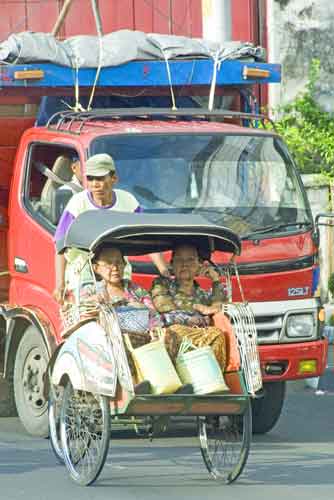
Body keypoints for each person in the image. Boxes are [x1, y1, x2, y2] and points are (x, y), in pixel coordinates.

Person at [53, 153, 169, 302]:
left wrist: (163, 270)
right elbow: (60, 245)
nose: (95, 184)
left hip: (117, 271)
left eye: (100, 178)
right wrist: (60, 284)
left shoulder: (128, 202)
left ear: (114, 178)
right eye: (90, 178)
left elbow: (147, 237)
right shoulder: (77, 203)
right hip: (82, 273)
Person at [150, 243, 233, 371]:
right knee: (177, 330)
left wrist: (216, 280)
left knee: (219, 335)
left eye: (190, 260)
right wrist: (203, 317)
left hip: (202, 344)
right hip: (172, 339)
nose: (184, 264)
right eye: (179, 260)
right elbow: (166, 311)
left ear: (199, 265)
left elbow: (218, 307)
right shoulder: (162, 284)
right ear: (171, 264)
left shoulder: (203, 294)